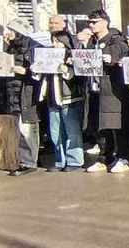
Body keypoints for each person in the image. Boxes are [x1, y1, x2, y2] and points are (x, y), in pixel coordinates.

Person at [83, 9, 129, 174]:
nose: (91, 25)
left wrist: (112, 58)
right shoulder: (92, 41)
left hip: (113, 89)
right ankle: (105, 157)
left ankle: (124, 157)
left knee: (117, 125)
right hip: (95, 89)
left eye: (94, 22)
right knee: (100, 126)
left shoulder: (115, 39)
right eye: (89, 22)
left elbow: (122, 52)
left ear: (104, 22)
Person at [43, 15, 85, 173]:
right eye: (53, 42)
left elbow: (76, 75)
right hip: (52, 97)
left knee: (71, 129)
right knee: (55, 131)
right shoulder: (47, 56)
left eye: (58, 42)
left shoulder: (71, 57)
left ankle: (75, 160)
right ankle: (60, 159)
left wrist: (66, 69)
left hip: (69, 97)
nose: (55, 45)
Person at [3, 19, 42, 177]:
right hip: (14, 91)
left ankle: (28, 162)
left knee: (27, 128)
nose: (8, 33)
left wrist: (24, 71)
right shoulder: (11, 47)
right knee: (20, 128)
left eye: (11, 30)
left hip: (27, 93)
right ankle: (24, 159)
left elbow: (39, 71)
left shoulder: (33, 47)